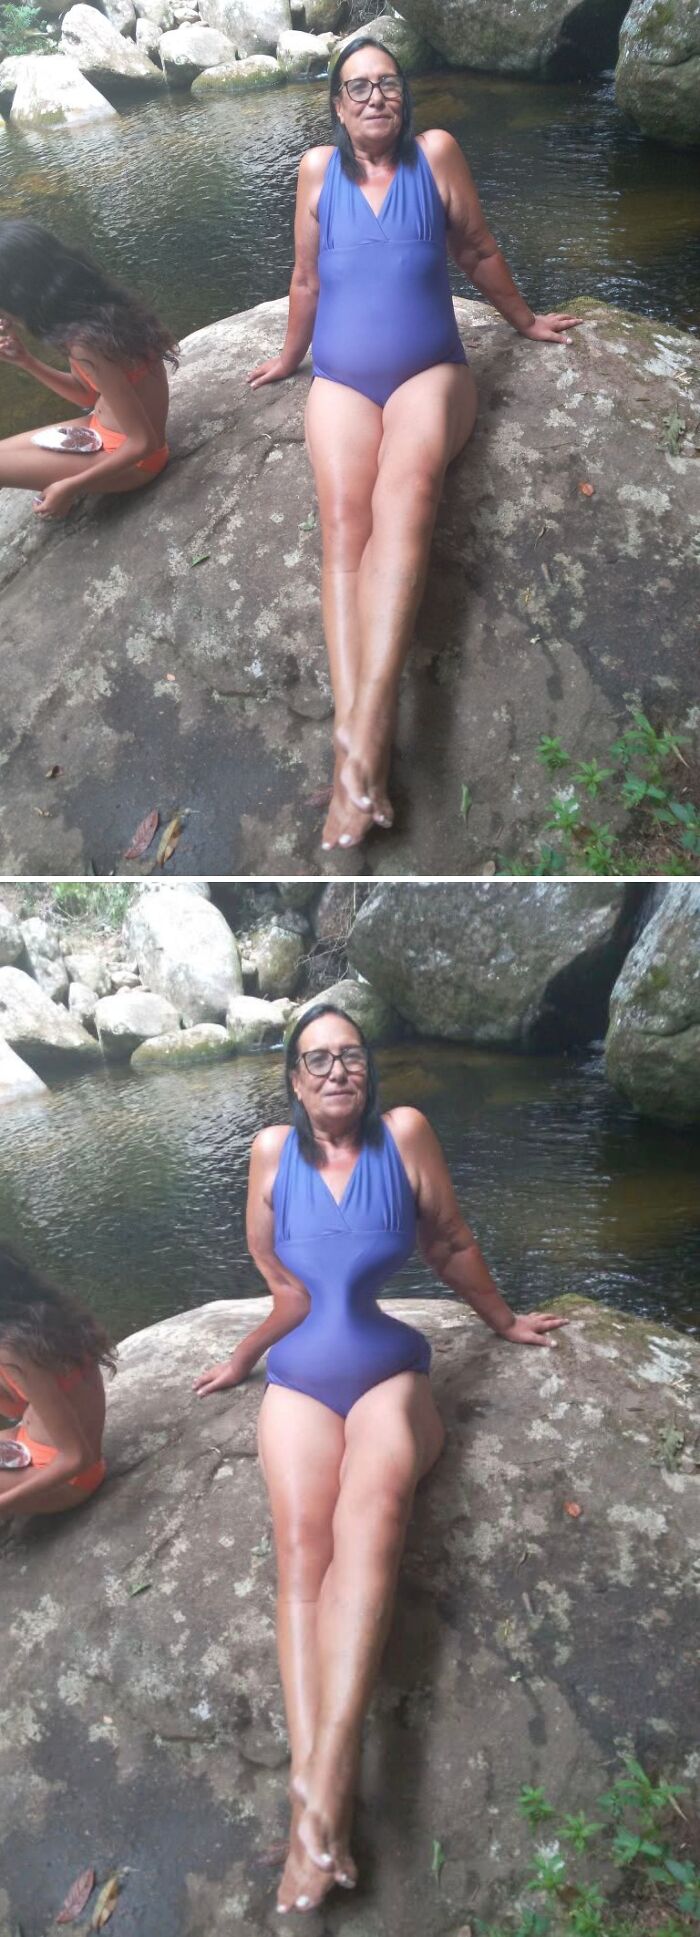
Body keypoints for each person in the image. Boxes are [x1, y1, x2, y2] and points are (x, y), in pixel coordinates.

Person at [194, 1003, 567, 1915]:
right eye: (317, 1059)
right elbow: (284, 1284)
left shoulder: (406, 1134)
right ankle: (317, 1815)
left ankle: (318, 1794)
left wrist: (505, 1322)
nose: (335, 1072)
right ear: (292, 1077)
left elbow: (446, 1243)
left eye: (350, 1056)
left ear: (368, 1070)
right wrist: (244, 1356)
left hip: (387, 1373)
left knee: (375, 1514)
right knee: (299, 1550)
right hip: (301, 1377)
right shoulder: (270, 1155)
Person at [247, 38, 582, 853]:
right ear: (335, 103)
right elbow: (305, 280)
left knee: (408, 494)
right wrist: (291, 356)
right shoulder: (316, 173)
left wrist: (527, 322)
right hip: (341, 381)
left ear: (403, 98)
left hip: (431, 372)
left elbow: (476, 250)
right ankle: (359, 759)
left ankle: (356, 751)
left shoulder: (437, 154)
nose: (373, 99)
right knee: (342, 524)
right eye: (357, 87)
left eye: (387, 85)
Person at [0, 219, 176, 519]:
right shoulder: (93, 311)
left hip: (134, 461)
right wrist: (26, 361)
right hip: (101, 429)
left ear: (20, 293)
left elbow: (144, 443)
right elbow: (86, 395)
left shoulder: (86, 343)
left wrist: (69, 486)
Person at [0, 1244, 115, 1517]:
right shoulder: (38, 1318)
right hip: (30, 1443)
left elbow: (78, 1458)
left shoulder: (14, 1349)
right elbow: (18, 1409)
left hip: (71, 1478)